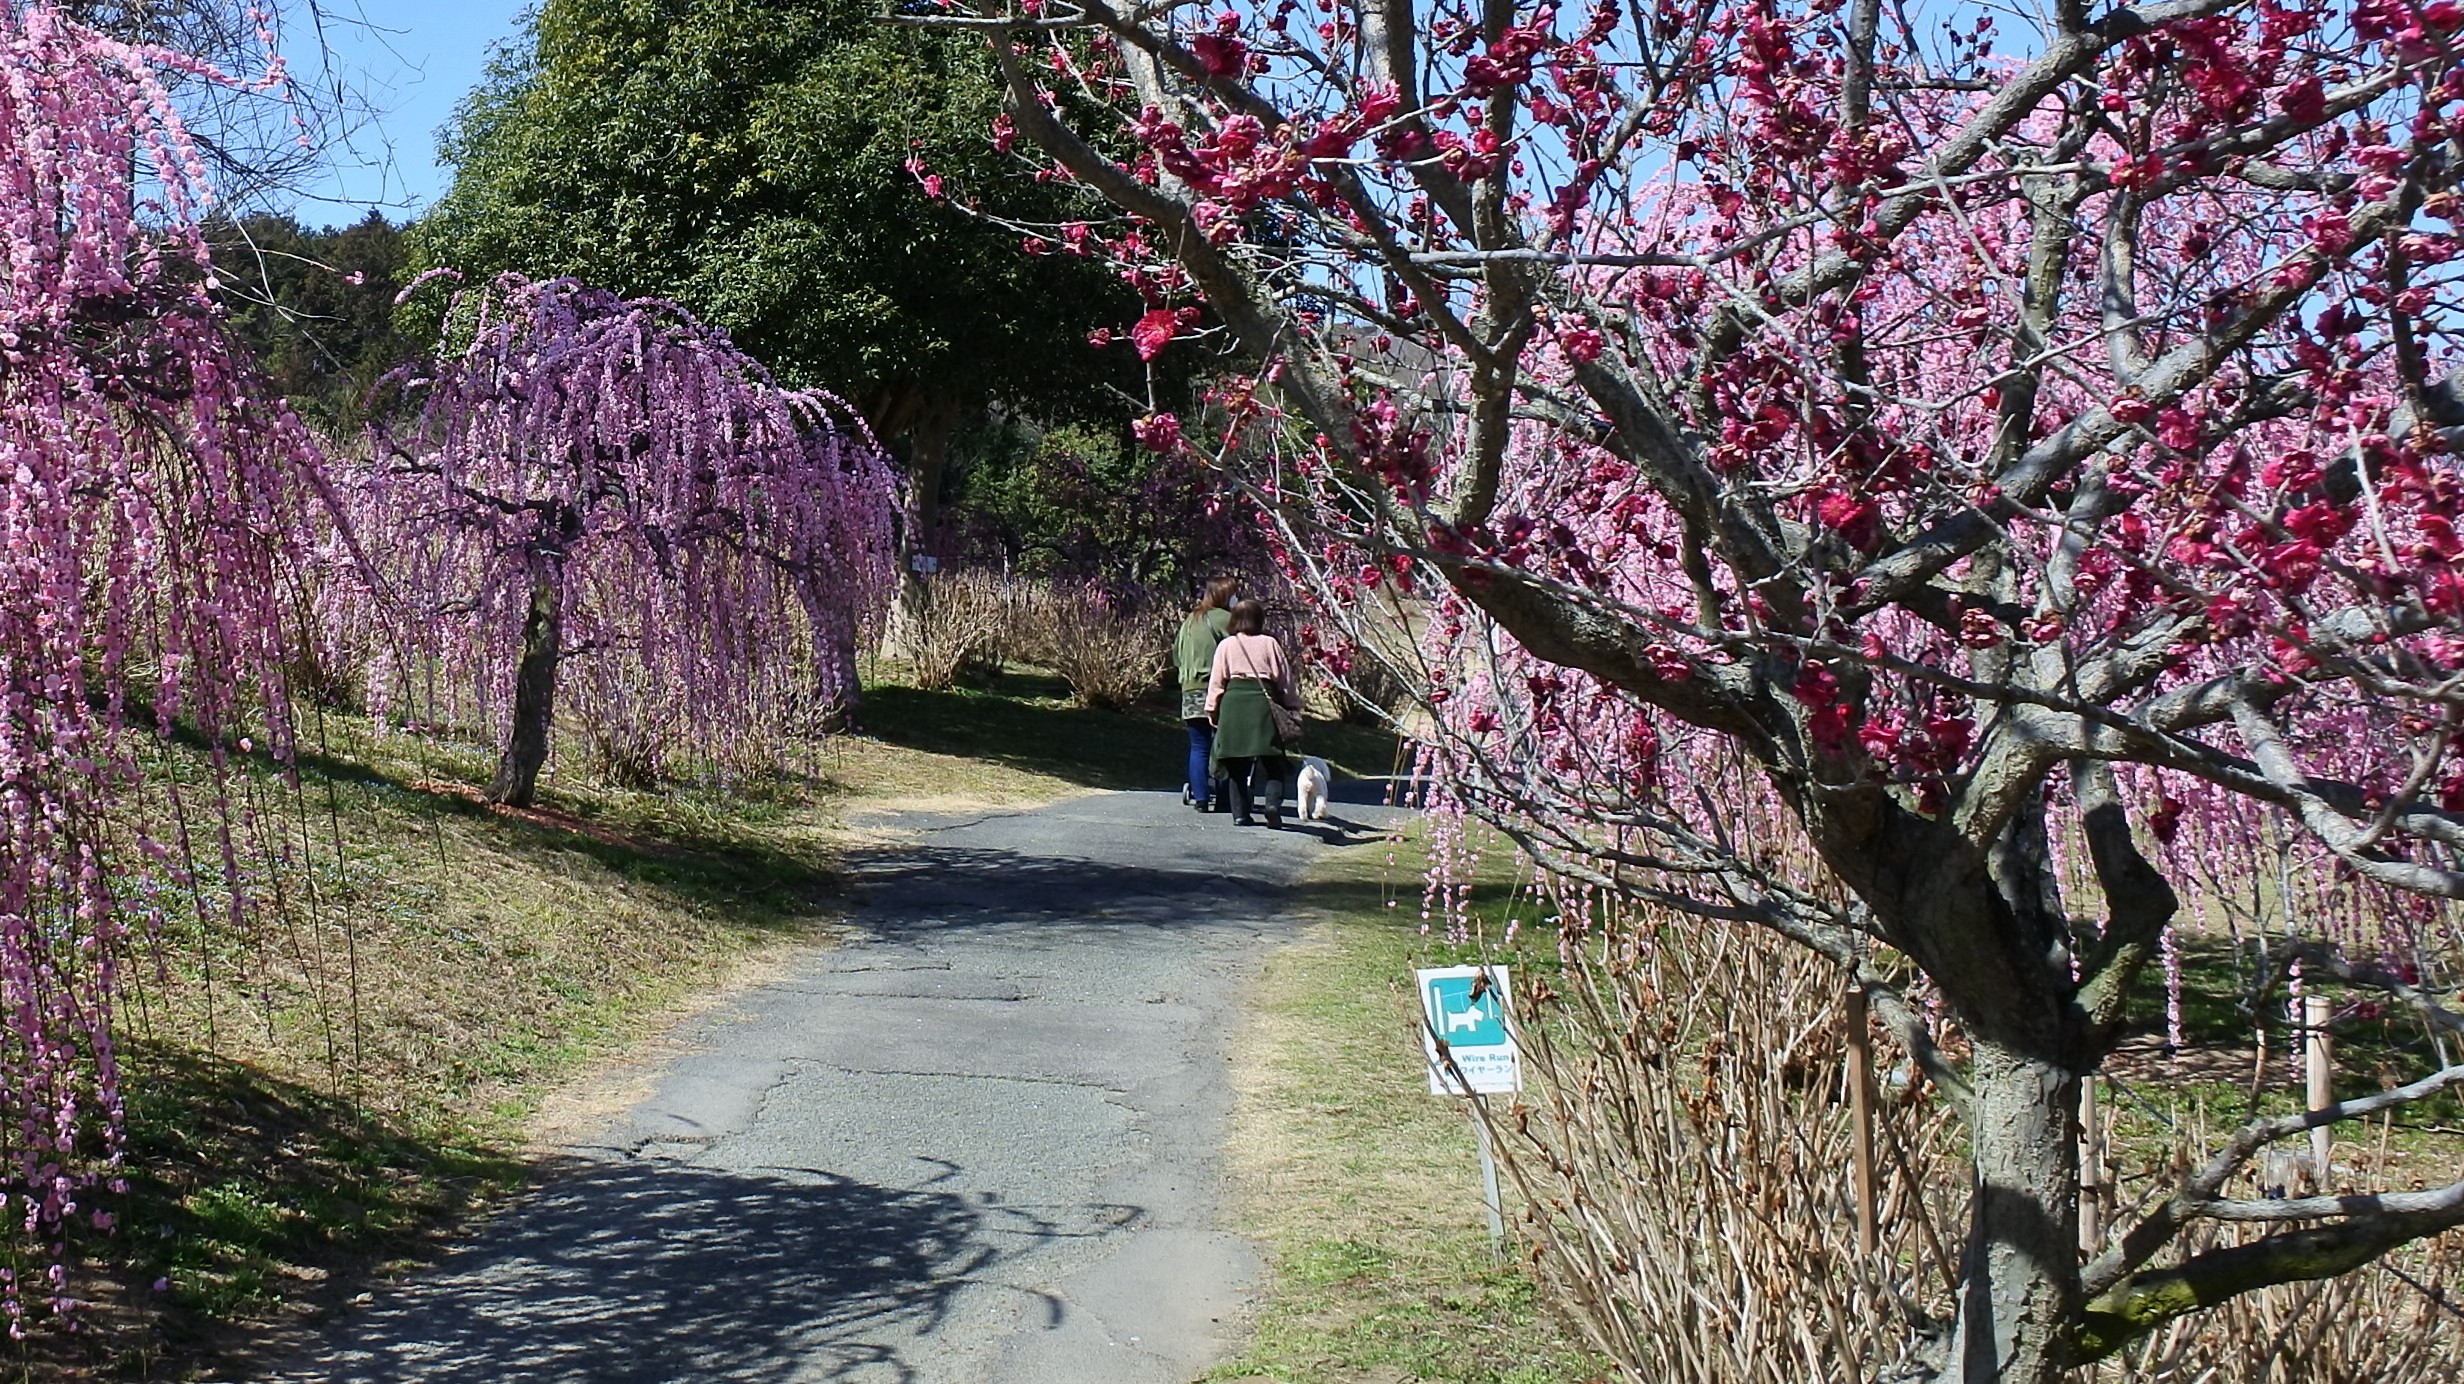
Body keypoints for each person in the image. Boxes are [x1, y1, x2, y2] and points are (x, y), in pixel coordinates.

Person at [1206, 598, 1301, 828]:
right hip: (1263, 705)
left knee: (1236, 765)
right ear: (1260, 619)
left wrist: (1212, 709)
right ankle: (1272, 806)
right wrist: (1292, 705)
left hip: (1233, 704)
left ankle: (1240, 814)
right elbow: (1284, 680)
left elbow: (1217, 682)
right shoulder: (1270, 644)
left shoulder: (1226, 646)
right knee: (1273, 763)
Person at [1174, 577, 1239, 811]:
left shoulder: (1190, 620)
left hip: (1190, 688)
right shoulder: (1227, 619)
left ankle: (1201, 798)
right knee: (1221, 745)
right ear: (1226, 596)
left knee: (1198, 746)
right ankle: (1223, 798)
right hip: (1218, 689)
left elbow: (1176, 655)